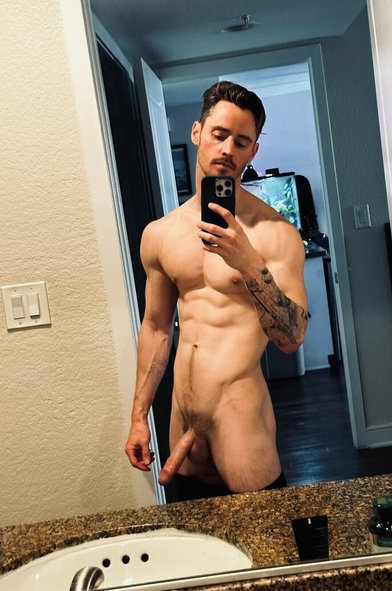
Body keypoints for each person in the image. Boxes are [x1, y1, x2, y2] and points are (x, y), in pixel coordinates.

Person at [125, 81, 308, 500]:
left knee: (265, 538)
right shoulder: (160, 234)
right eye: (219, 135)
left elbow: (292, 338)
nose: (227, 149)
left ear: (253, 152)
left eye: (241, 142)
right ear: (197, 132)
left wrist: (248, 262)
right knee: (192, 541)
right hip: (181, 421)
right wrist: (138, 416)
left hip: (239, 418)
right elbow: (156, 328)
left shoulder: (276, 234)